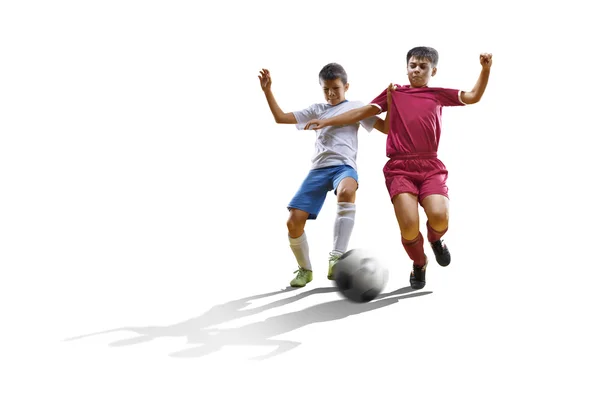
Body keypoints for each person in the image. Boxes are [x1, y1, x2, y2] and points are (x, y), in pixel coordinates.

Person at [304, 47, 492, 289]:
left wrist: (485, 70)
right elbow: (361, 112)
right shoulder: (394, 92)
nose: (416, 70)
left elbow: (473, 96)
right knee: (409, 225)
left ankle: (435, 240)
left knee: (439, 217)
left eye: (422, 67)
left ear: (432, 71)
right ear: (406, 68)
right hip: (400, 168)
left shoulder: (436, 94)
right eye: (412, 65)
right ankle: (420, 262)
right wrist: (327, 120)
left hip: (429, 164)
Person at [258, 63, 386, 288]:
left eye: (336, 88)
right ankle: (305, 270)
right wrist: (268, 91)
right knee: (293, 222)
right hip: (318, 169)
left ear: (346, 86)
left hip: (344, 167)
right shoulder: (317, 109)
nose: (331, 94)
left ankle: (336, 257)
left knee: (347, 191)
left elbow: (387, 128)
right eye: (326, 89)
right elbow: (281, 117)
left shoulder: (357, 107)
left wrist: (393, 103)